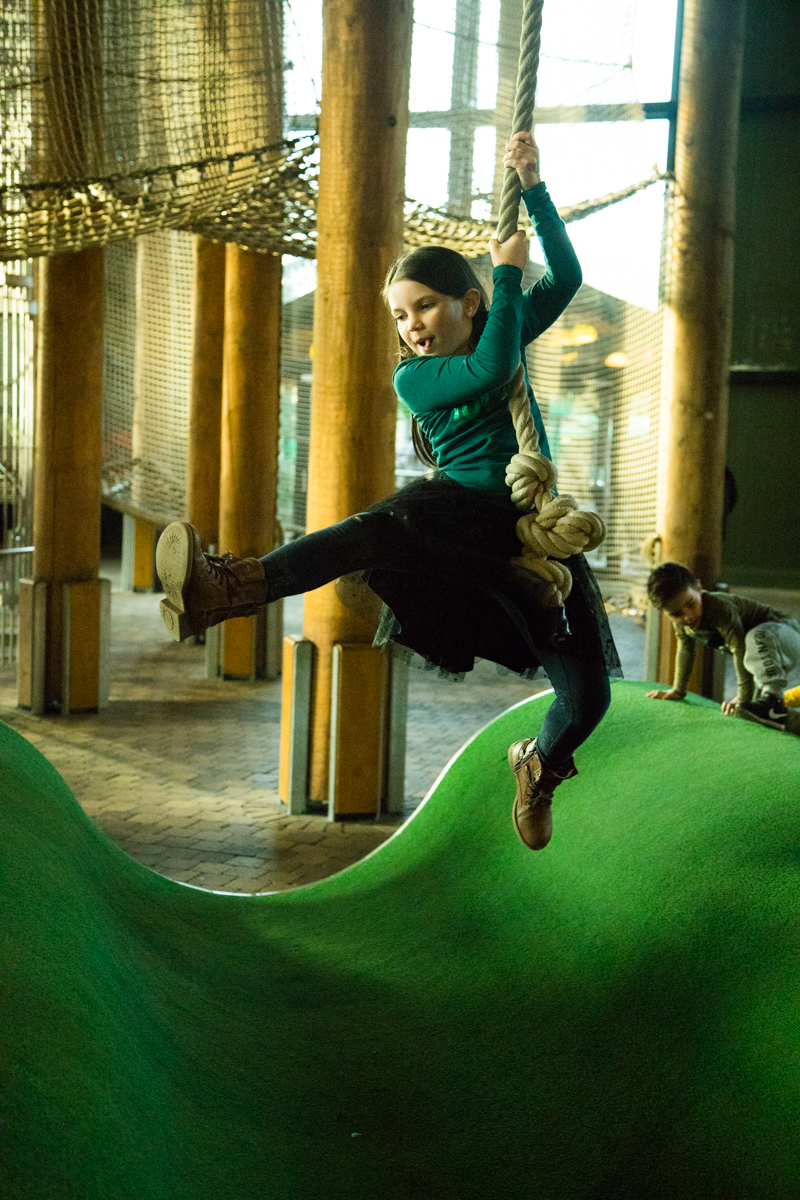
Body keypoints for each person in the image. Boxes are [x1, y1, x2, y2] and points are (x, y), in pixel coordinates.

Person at [156, 132, 621, 851]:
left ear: (467, 302)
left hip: (526, 530)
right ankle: (230, 587)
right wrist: (505, 276)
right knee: (372, 531)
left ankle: (539, 764)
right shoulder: (415, 378)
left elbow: (565, 276)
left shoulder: (501, 320)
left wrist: (533, 188)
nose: (412, 327)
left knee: (589, 697)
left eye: (426, 307)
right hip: (459, 514)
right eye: (401, 316)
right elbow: (494, 369)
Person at [645, 561, 800, 732]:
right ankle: (787, 719)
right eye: (676, 614)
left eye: (691, 604)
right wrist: (678, 690)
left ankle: (774, 701)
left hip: (786, 635)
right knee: (756, 715)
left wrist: (742, 697)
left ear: (698, 587)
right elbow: (686, 650)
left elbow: (739, 649)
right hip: (762, 656)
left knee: (756, 637)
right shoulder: (682, 624)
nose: (687, 616)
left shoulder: (719, 608)